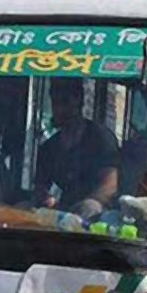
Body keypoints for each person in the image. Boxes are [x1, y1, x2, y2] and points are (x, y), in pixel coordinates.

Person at [34, 79, 119, 219]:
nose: (60, 109)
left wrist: (91, 203)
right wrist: (45, 198)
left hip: (99, 213)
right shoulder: (49, 148)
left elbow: (109, 185)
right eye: (55, 102)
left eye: (65, 102)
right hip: (63, 211)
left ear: (79, 100)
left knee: (89, 208)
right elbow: (40, 186)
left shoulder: (100, 138)